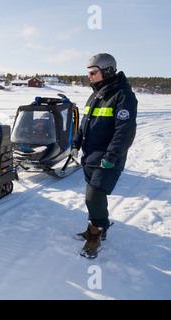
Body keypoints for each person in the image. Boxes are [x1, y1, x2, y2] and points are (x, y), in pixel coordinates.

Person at [72, 53, 137, 259]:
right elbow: (84, 125)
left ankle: (95, 236)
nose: (89, 76)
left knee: (94, 196)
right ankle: (99, 227)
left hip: (108, 158)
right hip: (90, 156)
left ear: (107, 70)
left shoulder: (123, 96)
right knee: (94, 199)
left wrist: (112, 155)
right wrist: (75, 144)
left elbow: (124, 131)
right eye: (88, 73)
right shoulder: (96, 95)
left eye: (93, 72)